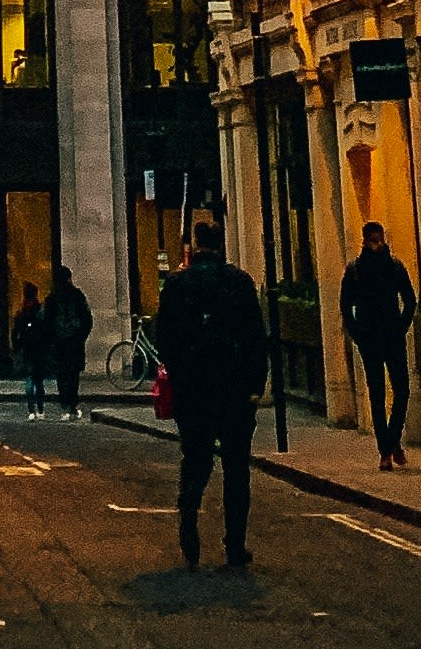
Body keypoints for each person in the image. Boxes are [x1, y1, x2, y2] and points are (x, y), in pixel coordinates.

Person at [154, 207, 268, 573]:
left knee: (196, 459)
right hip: (234, 390)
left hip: (193, 390)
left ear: (197, 246)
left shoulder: (177, 285)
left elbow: (164, 339)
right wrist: (256, 384)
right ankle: (235, 546)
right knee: (237, 469)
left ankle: (188, 515)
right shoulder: (239, 282)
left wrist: (180, 373)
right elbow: (256, 338)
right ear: (221, 245)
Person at [338, 220, 419, 468]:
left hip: (389, 336)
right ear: (365, 240)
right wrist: (358, 333)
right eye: (372, 239)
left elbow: (410, 299)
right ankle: (387, 448)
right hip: (373, 338)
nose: (376, 243)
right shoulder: (356, 270)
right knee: (377, 393)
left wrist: (401, 326)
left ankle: (389, 442)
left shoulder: (393, 267)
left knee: (401, 390)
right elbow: (345, 306)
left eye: (378, 239)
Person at [46, 262, 93, 416]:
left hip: (58, 341)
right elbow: (87, 318)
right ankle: (72, 402)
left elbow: (47, 321)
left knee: (61, 372)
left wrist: (51, 338)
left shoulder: (52, 298)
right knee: (73, 373)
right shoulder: (77, 295)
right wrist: (81, 336)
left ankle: (64, 401)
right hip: (74, 341)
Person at [14, 276, 50, 415]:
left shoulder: (22, 312)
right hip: (39, 349)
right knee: (39, 381)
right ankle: (41, 409)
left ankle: (31, 410)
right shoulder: (40, 311)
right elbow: (46, 330)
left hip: (26, 349)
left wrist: (17, 347)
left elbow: (15, 332)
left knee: (29, 379)